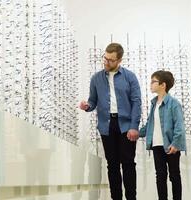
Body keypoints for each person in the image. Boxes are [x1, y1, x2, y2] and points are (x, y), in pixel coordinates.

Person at [79, 43, 141, 200]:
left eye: (111, 60)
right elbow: (93, 101)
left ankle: (131, 198)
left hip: (126, 126)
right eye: (105, 58)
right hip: (106, 126)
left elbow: (136, 102)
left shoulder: (130, 77)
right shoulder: (96, 78)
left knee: (128, 163)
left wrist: (134, 126)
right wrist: (87, 106)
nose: (106, 62)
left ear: (119, 60)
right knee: (112, 165)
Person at [139, 70, 186, 200]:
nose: (150, 84)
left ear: (162, 85)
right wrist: (137, 133)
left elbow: (179, 126)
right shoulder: (154, 104)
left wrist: (176, 143)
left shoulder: (173, 103)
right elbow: (150, 125)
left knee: (174, 175)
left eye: (153, 81)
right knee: (160, 176)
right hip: (157, 145)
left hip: (171, 145)